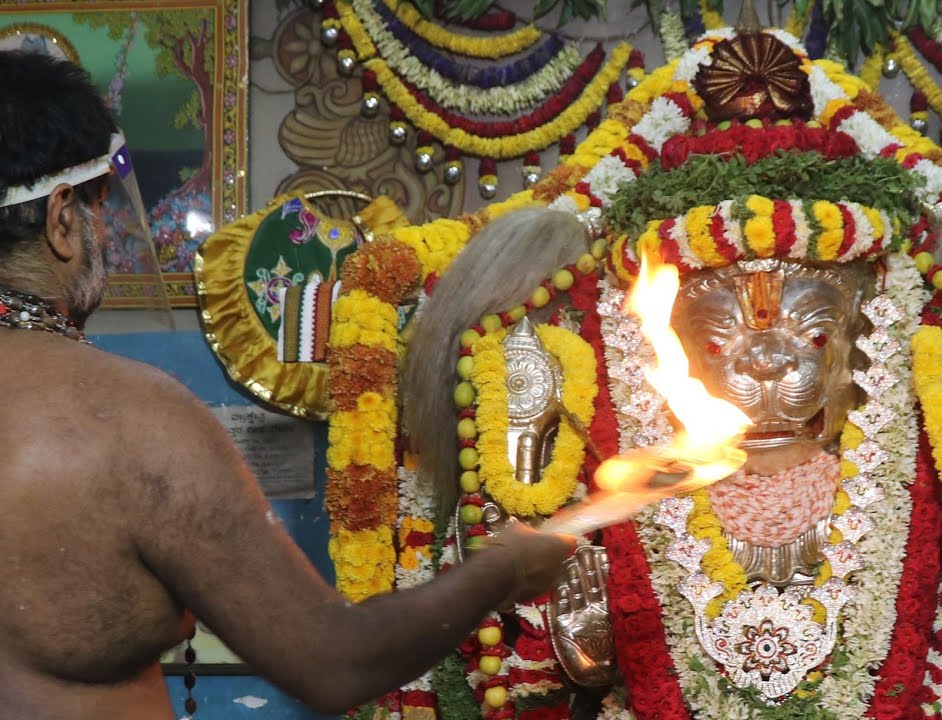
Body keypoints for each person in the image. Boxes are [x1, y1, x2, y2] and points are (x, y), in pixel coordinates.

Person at [0, 50, 576, 720]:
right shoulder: (128, 422)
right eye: (100, 208)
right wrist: (502, 568)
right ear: (61, 220)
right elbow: (333, 661)